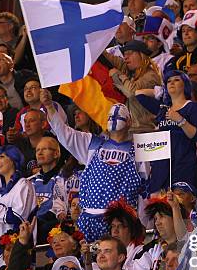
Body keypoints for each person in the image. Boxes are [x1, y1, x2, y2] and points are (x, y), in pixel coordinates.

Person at [45, 90, 147, 242]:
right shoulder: (92, 143)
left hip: (119, 224)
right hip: (88, 220)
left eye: (119, 116)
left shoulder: (140, 149)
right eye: (111, 116)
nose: (114, 119)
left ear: (130, 122)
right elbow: (65, 134)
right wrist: (49, 107)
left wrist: (144, 225)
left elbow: (146, 189)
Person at [0, 145, 36, 269]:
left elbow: (18, 216)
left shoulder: (24, 184)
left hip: (16, 247)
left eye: (2, 157)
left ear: (13, 160)